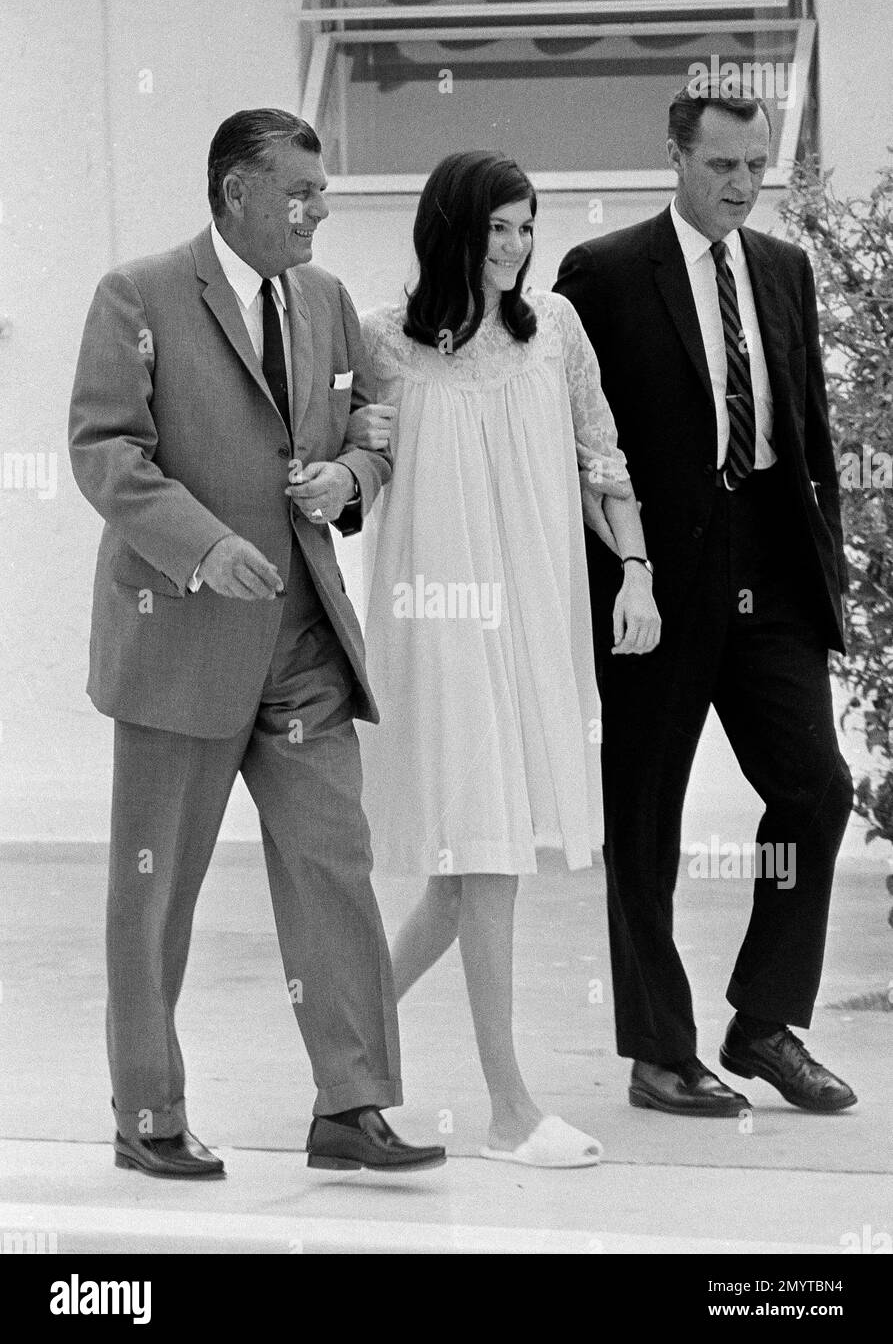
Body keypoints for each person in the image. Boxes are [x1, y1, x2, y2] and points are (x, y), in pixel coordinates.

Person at [68, 108, 445, 1177]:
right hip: (178, 641)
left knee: (336, 862)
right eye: (302, 193)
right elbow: (105, 451)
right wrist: (202, 547)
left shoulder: (325, 300)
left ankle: (352, 1104)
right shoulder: (136, 295)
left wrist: (348, 480)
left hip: (303, 645)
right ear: (236, 193)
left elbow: (372, 425)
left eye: (322, 193)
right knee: (154, 891)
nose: (319, 210)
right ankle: (147, 1115)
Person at [553, 82, 856, 1116]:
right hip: (653, 580)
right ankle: (657, 1050)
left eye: (754, 164)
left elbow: (806, 426)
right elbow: (580, 445)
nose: (741, 184)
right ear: (673, 157)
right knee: (643, 820)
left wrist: (827, 583)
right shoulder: (599, 273)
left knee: (814, 787)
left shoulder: (782, 267)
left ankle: (764, 1021)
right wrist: (610, 574)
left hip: (767, 566)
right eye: (721, 164)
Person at [354, 150, 660, 1168]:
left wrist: (635, 570)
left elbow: (599, 454)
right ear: (453, 231)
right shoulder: (384, 344)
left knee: (463, 875)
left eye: (526, 227)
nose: (517, 248)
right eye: (498, 229)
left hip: (532, 613)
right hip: (437, 622)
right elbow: (360, 471)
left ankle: (339, 1056)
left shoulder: (553, 332)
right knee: (484, 862)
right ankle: (506, 1107)